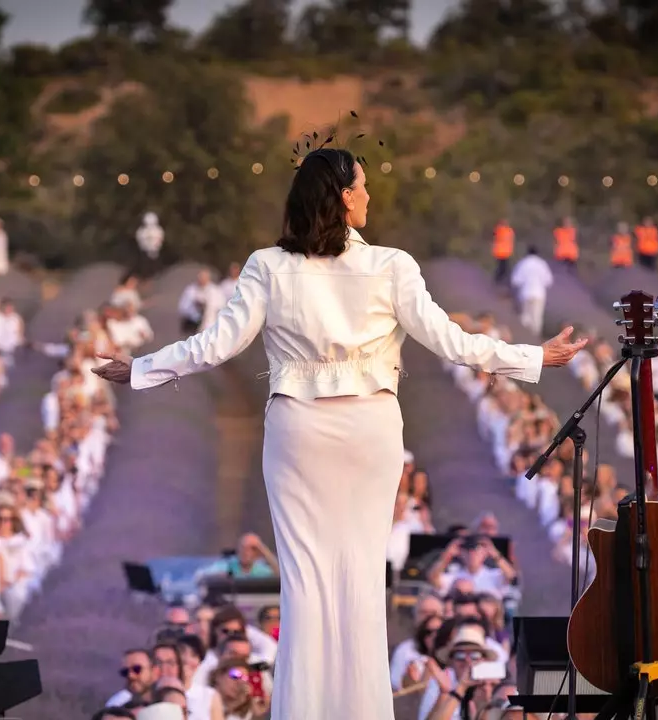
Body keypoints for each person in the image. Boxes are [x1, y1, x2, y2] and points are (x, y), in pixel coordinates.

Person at [92, 146, 587, 720]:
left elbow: (215, 345)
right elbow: (451, 341)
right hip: (369, 429)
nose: (371, 195)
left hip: (298, 432)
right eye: (364, 187)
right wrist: (531, 357)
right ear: (344, 197)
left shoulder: (267, 266)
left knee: (304, 584)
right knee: (359, 579)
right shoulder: (391, 265)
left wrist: (141, 369)